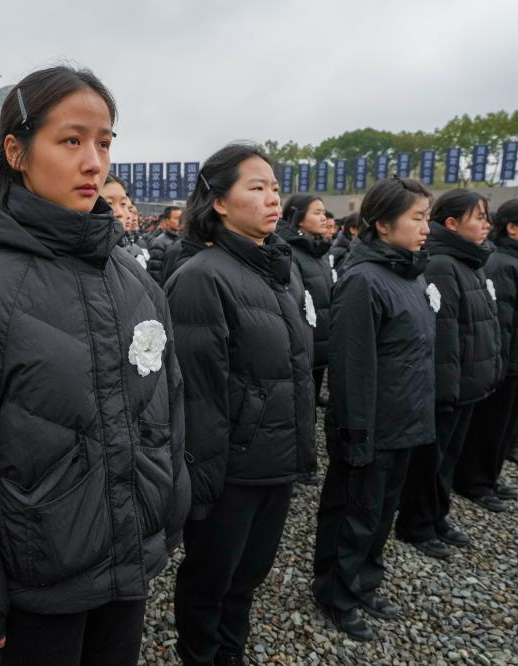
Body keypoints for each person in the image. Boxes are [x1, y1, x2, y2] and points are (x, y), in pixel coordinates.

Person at [0, 67, 189, 666]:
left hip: (127, 556)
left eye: (104, 142)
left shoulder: (132, 278)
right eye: (71, 140)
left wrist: (166, 513)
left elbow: (167, 409)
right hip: (36, 576)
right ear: (17, 151)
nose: (93, 162)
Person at [167, 144, 314, 666]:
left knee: (249, 575)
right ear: (219, 202)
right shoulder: (201, 278)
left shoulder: (282, 271)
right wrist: (202, 489)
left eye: (275, 187)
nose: (273, 198)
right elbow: (198, 398)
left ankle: (230, 651)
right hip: (230, 471)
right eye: (256, 187)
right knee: (211, 579)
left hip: (275, 460)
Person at [311, 177, 435, 641]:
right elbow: (352, 366)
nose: (426, 228)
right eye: (417, 218)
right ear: (383, 224)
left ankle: (365, 581)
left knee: (381, 513)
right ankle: (336, 593)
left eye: (427, 218)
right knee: (353, 514)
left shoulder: (410, 273)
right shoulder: (363, 280)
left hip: (404, 419)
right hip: (371, 425)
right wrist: (356, 434)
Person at [395, 189, 500, 559]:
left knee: (447, 458)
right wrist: (446, 390)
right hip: (448, 387)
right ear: (452, 223)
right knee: (429, 462)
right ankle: (417, 524)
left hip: (466, 382)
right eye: (479, 217)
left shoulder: (471, 261)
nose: (487, 225)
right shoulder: (442, 264)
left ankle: (437, 515)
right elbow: (443, 335)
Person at [454, 199, 518, 510]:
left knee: (506, 427)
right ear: (512, 227)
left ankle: (490, 477)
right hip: (506, 365)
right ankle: (475, 482)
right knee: (489, 427)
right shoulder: (501, 265)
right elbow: (501, 323)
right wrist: (500, 364)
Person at [276, 193, 332, 414]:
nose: (324, 218)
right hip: (304, 337)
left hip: (322, 335)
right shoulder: (289, 251)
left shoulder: (319, 251)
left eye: (324, 212)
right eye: (317, 213)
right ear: (299, 219)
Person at [147, 205, 183, 283]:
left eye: (181, 218)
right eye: (176, 218)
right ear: (167, 221)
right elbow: (154, 272)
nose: (180, 221)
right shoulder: (159, 242)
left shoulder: (182, 241)